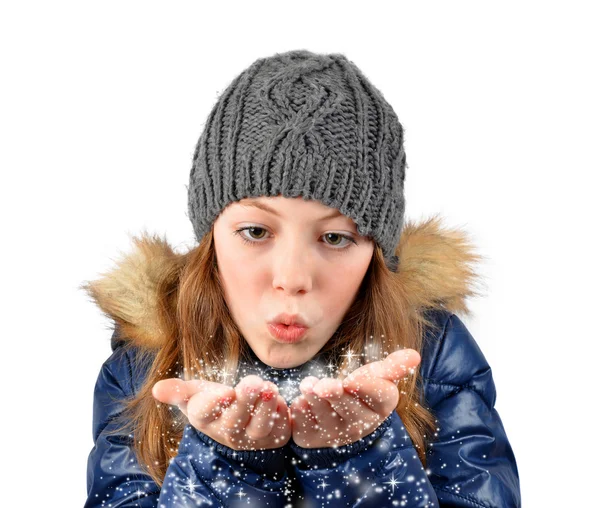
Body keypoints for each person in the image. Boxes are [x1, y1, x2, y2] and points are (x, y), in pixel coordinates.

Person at [81, 49, 521, 507]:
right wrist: (226, 468)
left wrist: (358, 464)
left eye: (334, 237)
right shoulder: (141, 371)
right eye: (255, 232)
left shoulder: (434, 357)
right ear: (211, 237)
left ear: (375, 252)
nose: (292, 278)